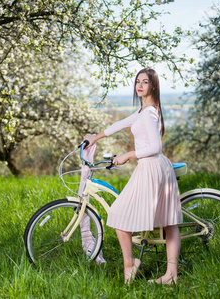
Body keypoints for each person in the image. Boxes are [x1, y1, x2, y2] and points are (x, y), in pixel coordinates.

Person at [83, 68, 182, 285]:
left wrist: (129, 155)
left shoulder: (148, 113)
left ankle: (132, 264)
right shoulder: (145, 111)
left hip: (151, 168)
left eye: (145, 82)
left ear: (153, 86)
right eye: (138, 81)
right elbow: (120, 124)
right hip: (155, 167)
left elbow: (155, 146)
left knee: (119, 214)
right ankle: (170, 275)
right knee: (169, 223)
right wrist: (95, 137)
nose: (140, 85)